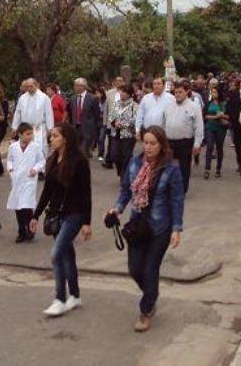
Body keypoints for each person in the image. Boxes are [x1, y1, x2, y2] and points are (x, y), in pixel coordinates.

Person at [105, 125, 183, 332]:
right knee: (135, 269)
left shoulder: (171, 168)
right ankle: (152, 292)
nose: (148, 147)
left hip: (160, 227)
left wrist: (176, 228)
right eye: (145, 142)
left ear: (161, 144)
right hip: (138, 225)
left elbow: (176, 200)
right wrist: (117, 209)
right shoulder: (134, 163)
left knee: (150, 269)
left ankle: (146, 309)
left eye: (153, 143)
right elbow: (125, 191)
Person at [31, 124, 92, 317]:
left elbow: (86, 193)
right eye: (51, 136)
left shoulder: (79, 161)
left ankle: (60, 298)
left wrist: (87, 222)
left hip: (74, 214)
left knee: (56, 254)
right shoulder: (52, 160)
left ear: (65, 138)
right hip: (56, 214)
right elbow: (47, 192)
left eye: (55, 136)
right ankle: (75, 296)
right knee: (67, 256)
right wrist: (35, 214)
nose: (51, 139)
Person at [6, 123, 46, 243]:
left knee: (27, 206)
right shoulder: (13, 147)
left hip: (29, 179)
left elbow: (41, 160)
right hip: (17, 180)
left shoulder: (35, 147)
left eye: (31, 133)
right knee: (18, 206)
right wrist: (11, 170)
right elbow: (9, 160)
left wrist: (35, 169)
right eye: (27, 134)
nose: (30, 136)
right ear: (20, 134)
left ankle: (30, 230)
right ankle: (21, 231)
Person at [163, 81, 204, 193]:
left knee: (184, 167)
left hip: (185, 142)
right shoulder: (168, 106)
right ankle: (169, 188)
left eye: (180, 92)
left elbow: (199, 126)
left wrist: (197, 144)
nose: (177, 94)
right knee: (168, 166)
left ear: (187, 92)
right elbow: (163, 123)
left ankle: (182, 190)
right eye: (176, 92)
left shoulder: (194, 107)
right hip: (169, 141)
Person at [13, 79, 55, 153]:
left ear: (36, 85)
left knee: (40, 150)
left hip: (39, 128)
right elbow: (18, 113)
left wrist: (50, 128)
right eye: (27, 87)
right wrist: (15, 127)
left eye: (31, 86)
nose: (29, 89)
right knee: (26, 149)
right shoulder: (22, 98)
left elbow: (48, 114)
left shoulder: (44, 97)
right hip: (25, 128)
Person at [108, 84, 138, 178]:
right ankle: (121, 171)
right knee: (115, 155)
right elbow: (111, 116)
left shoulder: (135, 106)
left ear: (129, 94)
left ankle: (125, 175)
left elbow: (135, 120)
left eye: (124, 92)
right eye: (121, 91)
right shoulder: (116, 104)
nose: (121, 93)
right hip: (115, 133)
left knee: (126, 156)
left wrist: (123, 125)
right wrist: (114, 123)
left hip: (128, 135)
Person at [67, 78, 102, 158]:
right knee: (76, 150)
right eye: (76, 86)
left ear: (85, 87)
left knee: (83, 151)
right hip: (76, 128)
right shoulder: (72, 98)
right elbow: (71, 114)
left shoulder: (92, 98)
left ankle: (84, 167)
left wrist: (95, 130)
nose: (77, 88)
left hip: (88, 129)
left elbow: (97, 115)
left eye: (80, 86)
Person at [203, 87, 229, 179]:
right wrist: (215, 116)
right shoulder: (208, 103)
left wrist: (222, 115)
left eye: (215, 92)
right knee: (209, 147)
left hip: (220, 128)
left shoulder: (224, 104)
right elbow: (205, 116)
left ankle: (218, 169)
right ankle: (207, 169)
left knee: (219, 148)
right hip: (209, 127)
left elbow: (229, 116)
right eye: (212, 92)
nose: (213, 94)